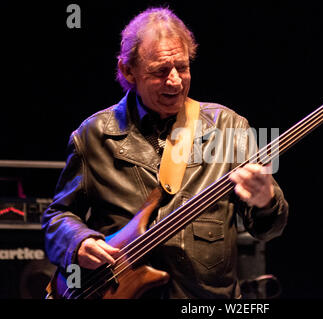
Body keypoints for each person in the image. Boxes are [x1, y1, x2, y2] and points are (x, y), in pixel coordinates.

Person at [42, 6, 288, 299]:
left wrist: (266, 201)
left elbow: (269, 229)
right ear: (127, 70)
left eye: (182, 67)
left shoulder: (228, 127)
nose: (175, 80)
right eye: (160, 71)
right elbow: (58, 215)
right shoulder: (93, 135)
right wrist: (78, 243)